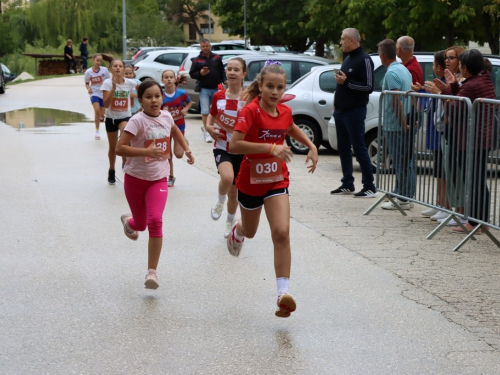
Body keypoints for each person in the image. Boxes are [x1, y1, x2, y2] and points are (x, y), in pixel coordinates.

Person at [228, 61, 319, 318]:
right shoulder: (251, 111)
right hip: (250, 181)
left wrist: (310, 146)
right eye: (270, 86)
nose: (275, 92)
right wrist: (270, 148)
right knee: (252, 230)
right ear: (260, 86)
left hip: (277, 180)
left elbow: (290, 128)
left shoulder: (285, 111)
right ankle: (238, 231)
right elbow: (235, 145)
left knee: (281, 232)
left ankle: (282, 294)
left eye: (280, 87)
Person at [116, 80, 194, 289]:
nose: (154, 100)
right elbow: (120, 148)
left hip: (159, 178)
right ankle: (128, 222)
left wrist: (186, 149)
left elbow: (176, 131)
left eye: (157, 96)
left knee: (156, 220)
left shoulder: (167, 116)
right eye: (148, 97)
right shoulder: (136, 121)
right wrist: (145, 152)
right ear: (140, 101)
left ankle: (152, 273)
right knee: (140, 224)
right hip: (135, 178)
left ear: (162, 98)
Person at [441, 49, 496, 234]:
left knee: (473, 181)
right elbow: (463, 99)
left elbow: (457, 109)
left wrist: (449, 91)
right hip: (481, 139)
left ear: (464, 67)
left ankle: (475, 222)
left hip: (472, 140)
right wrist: (455, 85)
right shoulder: (484, 79)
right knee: (477, 180)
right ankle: (481, 221)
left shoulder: (472, 85)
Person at [330, 28, 376, 198]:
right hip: (341, 111)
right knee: (343, 148)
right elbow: (341, 85)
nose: (340, 42)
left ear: (352, 41)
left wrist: (347, 82)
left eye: (342, 39)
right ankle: (347, 183)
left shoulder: (365, 60)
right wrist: (336, 104)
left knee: (359, 146)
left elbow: (368, 87)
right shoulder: (347, 58)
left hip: (355, 111)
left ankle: (369, 186)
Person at [205, 58, 247, 238]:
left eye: (236, 69)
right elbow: (211, 115)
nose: (231, 72)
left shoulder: (248, 99)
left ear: (243, 74)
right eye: (229, 69)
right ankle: (219, 200)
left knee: (234, 192)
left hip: (242, 150)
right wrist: (208, 127)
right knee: (227, 178)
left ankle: (229, 221)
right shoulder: (218, 96)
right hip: (222, 146)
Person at [376, 39, 414, 210]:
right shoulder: (404, 69)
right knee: (404, 160)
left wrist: (403, 123)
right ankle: (402, 191)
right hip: (400, 123)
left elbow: (396, 101)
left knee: (400, 161)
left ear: (382, 55)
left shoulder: (392, 73)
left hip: (396, 125)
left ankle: (403, 197)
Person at [101, 59, 138, 184]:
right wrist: (114, 88)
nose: (117, 68)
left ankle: (125, 162)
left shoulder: (130, 83)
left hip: (125, 117)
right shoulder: (106, 83)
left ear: (123, 69)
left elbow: (143, 89)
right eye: (115, 66)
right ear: (110, 68)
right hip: (111, 118)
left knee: (125, 139)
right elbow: (106, 104)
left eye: (120, 66)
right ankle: (111, 170)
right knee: (112, 147)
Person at [188, 39, 226, 143]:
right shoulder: (196, 60)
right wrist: (200, 73)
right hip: (204, 88)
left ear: (210, 46)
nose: (205, 48)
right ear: (200, 47)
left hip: (216, 88)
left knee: (217, 111)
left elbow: (222, 71)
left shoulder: (217, 58)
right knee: (205, 111)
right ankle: (207, 132)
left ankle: (213, 128)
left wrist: (225, 80)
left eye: (207, 46)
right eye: (203, 46)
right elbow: (192, 74)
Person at [161, 70, 193, 187]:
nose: (169, 79)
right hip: (166, 128)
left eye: (171, 77)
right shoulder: (161, 95)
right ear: (162, 80)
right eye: (166, 77)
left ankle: (184, 141)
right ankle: (170, 176)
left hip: (179, 126)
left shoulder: (181, 93)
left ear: (175, 79)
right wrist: (162, 112)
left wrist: (185, 109)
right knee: (167, 154)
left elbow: (189, 102)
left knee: (179, 155)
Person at [84, 54, 111, 140]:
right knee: (96, 111)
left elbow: (109, 81)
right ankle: (97, 131)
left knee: (102, 114)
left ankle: (101, 117)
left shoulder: (105, 70)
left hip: (103, 94)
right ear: (93, 60)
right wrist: (88, 89)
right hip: (94, 93)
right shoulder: (88, 72)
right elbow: (87, 83)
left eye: (100, 61)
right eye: (97, 60)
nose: (99, 62)